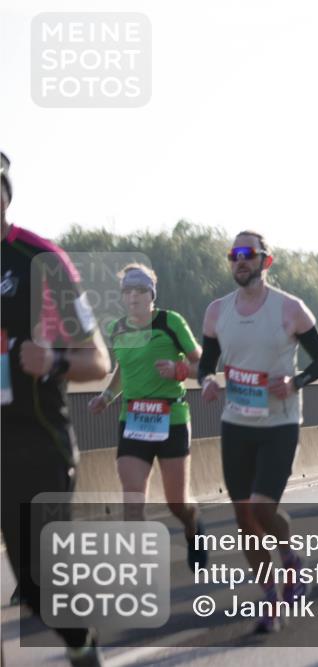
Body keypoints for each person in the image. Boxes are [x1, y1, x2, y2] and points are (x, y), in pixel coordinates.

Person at [1, 150, 112, 666]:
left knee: (43, 588)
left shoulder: (38, 261)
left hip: (34, 444)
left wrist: (50, 360)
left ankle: (83, 650)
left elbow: (97, 362)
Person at [198, 231, 318, 633]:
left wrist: (295, 382)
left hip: (280, 423)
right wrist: (205, 381)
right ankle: (270, 597)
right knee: (243, 517)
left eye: (247, 254)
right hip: (237, 422)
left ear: (265, 261)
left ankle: (290, 558)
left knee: (261, 509)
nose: (240, 261)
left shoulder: (290, 309)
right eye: (233, 255)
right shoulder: (217, 311)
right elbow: (206, 363)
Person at [88, 263, 208, 568]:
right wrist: (106, 395)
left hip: (172, 417)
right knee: (132, 497)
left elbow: (202, 366)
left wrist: (178, 370)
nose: (133, 297)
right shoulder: (118, 328)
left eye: (140, 291)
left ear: (151, 294)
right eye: (127, 291)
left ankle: (194, 527)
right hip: (134, 419)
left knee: (177, 502)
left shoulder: (170, 322)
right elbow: (122, 371)